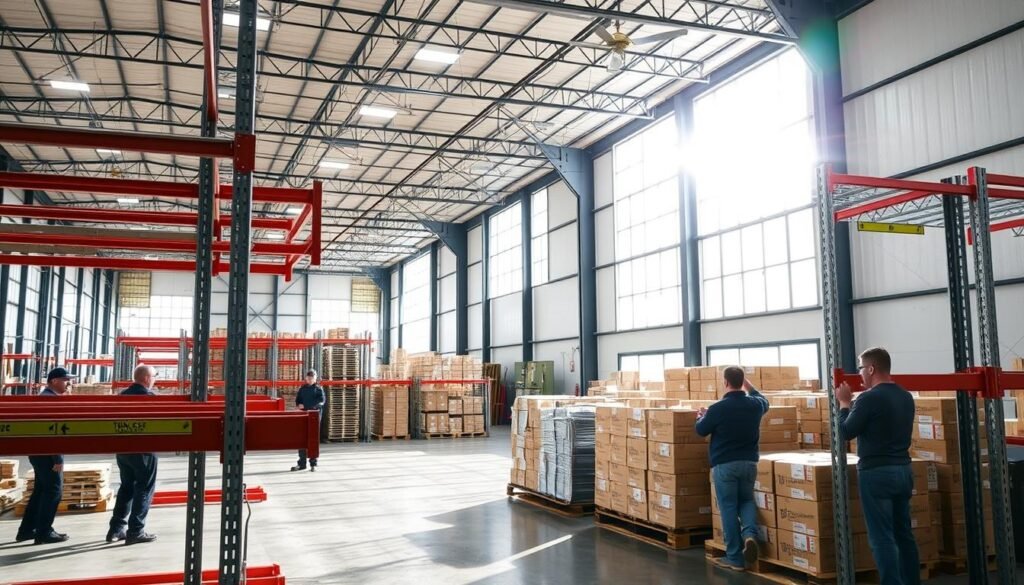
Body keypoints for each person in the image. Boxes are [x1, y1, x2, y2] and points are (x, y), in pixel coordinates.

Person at [837, 347, 919, 585]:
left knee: (882, 537)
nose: (860, 374)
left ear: (871, 368)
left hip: (877, 474)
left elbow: (846, 432)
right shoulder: (906, 396)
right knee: (904, 534)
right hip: (904, 471)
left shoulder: (868, 398)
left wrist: (844, 403)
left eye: (861, 368)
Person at [695, 366, 769, 572]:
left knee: (728, 506)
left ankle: (735, 558)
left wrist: (701, 416)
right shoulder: (756, 405)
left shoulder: (718, 408)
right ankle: (750, 536)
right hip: (750, 463)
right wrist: (748, 384)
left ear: (725, 382)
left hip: (725, 465)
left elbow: (701, 430)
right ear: (742, 381)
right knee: (746, 501)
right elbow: (763, 399)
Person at [16, 367, 74, 545]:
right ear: (54, 381)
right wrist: (57, 458)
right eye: (65, 380)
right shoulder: (50, 400)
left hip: (39, 453)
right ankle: (44, 532)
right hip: (48, 455)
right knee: (54, 491)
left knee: (41, 491)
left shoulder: (45, 397)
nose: (69, 383)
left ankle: (27, 530)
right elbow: (53, 432)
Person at [106, 365, 159, 545]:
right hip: (143, 451)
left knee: (126, 488)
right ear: (146, 378)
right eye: (154, 377)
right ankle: (136, 530)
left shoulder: (122, 396)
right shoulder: (149, 398)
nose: (154, 380)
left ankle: (116, 528)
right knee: (144, 488)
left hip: (123, 451)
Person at [291, 369, 325, 472]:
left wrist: (309, 406)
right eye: (308, 378)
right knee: (301, 440)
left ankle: (313, 463)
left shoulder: (319, 390)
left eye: (312, 378)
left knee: (312, 441)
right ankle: (302, 464)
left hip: (314, 418)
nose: (309, 379)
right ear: (306, 378)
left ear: (315, 379)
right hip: (303, 417)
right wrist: (299, 405)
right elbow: (298, 400)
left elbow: (321, 402)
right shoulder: (302, 389)